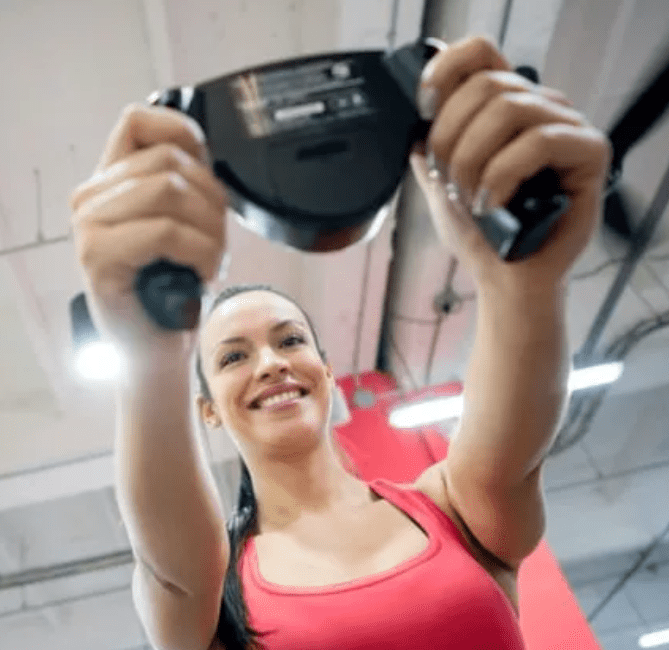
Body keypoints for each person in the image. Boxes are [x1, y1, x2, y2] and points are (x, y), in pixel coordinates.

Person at [68, 35, 610, 650]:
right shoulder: (214, 592)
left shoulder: (454, 508)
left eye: (289, 340)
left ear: (326, 373)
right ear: (209, 410)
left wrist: (522, 282)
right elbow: (168, 566)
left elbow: (516, 444)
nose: (270, 364)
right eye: (233, 356)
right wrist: (149, 355)